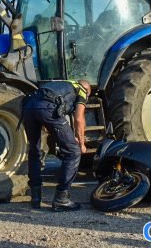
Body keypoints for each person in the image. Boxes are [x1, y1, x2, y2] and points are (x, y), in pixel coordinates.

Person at [21, 79, 91, 211]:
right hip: (47, 108)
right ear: (87, 90)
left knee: (35, 151)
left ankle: (35, 198)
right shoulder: (81, 90)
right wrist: (81, 143)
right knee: (73, 152)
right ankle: (61, 199)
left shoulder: (59, 84)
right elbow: (78, 118)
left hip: (29, 106)